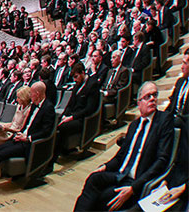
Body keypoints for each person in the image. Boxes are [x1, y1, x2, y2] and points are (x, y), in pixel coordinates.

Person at [73, 81, 174, 211]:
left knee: (101, 199)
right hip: (120, 174)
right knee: (93, 179)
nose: (153, 99)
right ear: (139, 102)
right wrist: (105, 166)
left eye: (155, 95)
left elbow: (161, 160)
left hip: (136, 180)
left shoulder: (164, 120)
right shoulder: (134, 125)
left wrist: (133, 188)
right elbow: (121, 156)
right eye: (148, 96)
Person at [56, 63, 100, 157]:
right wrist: (64, 115)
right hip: (72, 115)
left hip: (82, 118)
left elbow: (89, 109)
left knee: (62, 127)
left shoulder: (92, 85)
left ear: (83, 73)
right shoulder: (77, 85)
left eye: (76, 77)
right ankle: (61, 150)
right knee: (55, 121)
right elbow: (70, 104)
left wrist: (71, 117)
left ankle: (57, 153)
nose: (75, 80)